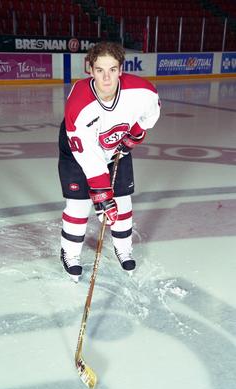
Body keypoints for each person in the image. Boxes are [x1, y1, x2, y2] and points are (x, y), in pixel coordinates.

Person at [58, 41, 160, 282]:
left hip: (116, 145)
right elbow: (89, 156)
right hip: (79, 152)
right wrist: (102, 195)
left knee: (122, 202)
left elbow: (152, 112)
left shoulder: (142, 92)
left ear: (121, 70)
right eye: (100, 70)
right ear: (90, 70)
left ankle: (123, 249)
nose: (106, 77)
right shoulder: (79, 106)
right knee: (80, 205)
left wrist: (134, 135)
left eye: (112, 69)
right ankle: (69, 254)